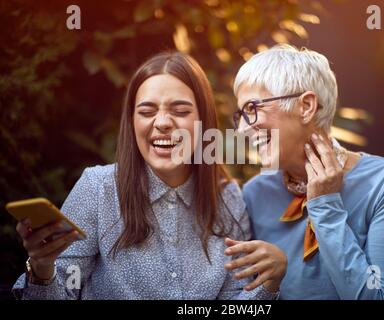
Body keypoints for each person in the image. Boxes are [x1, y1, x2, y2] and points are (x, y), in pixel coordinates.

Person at [12, 51, 287, 299]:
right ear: (132, 122)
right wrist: (43, 269)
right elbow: (63, 290)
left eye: (180, 111)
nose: (163, 123)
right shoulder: (99, 188)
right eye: (147, 111)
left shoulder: (227, 198)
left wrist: (269, 284)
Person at [228, 44, 384, 299]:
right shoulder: (254, 193)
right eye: (241, 114)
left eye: (253, 109)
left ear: (306, 106)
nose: (242, 129)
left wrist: (325, 206)